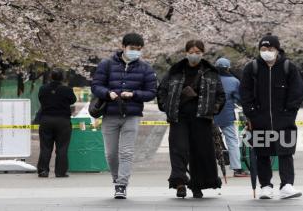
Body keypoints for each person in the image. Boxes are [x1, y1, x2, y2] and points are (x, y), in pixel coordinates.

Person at [91, 33, 157, 199]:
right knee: (110, 153)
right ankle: (116, 178)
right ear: (123, 47)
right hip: (109, 113)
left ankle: (121, 184)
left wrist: (133, 94)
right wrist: (108, 93)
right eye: (132, 48)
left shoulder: (145, 68)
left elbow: (151, 92)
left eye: (138, 49)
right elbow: (96, 86)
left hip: (131, 115)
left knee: (126, 152)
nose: (135, 52)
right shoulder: (106, 64)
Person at [157, 40, 226, 199]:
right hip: (179, 116)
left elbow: (220, 95)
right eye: (192, 51)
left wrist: (212, 109)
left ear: (203, 53)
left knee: (199, 151)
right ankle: (180, 182)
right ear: (186, 52)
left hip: (201, 118)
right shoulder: (175, 70)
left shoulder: (210, 72)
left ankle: (198, 184)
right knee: (178, 149)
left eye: (198, 52)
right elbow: (162, 91)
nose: (194, 55)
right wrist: (167, 106)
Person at [239, 34, 303, 200]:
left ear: (277, 49)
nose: (266, 51)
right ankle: (266, 186)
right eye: (263, 48)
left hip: (284, 119)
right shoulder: (251, 68)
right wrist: (252, 113)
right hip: (259, 119)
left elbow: (297, 91)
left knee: (285, 152)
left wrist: (290, 112)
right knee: (262, 153)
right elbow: (244, 93)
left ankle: (287, 185)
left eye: (270, 49)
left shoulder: (288, 67)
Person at [37, 68, 77, 178]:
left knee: (45, 146)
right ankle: (60, 172)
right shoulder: (67, 90)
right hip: (62, 120)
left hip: (46, 119)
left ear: (51, 77)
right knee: (62, 147)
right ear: (63, 78)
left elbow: (40, 99)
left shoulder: (43, 89)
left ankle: (43, 170)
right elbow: (73, 100)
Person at [214, 57, 249, 177]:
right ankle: (237, 169)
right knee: (232, 141)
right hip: (226, 115)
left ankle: (206, 170)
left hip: (209, 116)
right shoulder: (234, 81)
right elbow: (239, 99)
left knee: (206, 142)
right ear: (228, 68)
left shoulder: (209, 79)